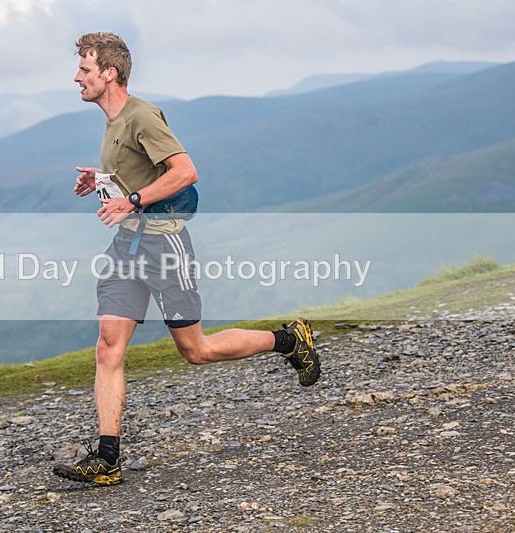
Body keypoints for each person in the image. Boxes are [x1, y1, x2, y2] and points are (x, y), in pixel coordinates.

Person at [52, 32, 320, 486]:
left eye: (85, 69)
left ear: (109, 73)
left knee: (196, 351)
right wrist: (103, 181)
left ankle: (288, 340)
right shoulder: (113, 121)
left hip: (163, 244)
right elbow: (141, 171)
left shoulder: (141, 116)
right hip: (126, 247)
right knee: (108, 346)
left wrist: (132, 200)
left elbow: (185, 172)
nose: (76, 77)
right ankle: (107, 458)